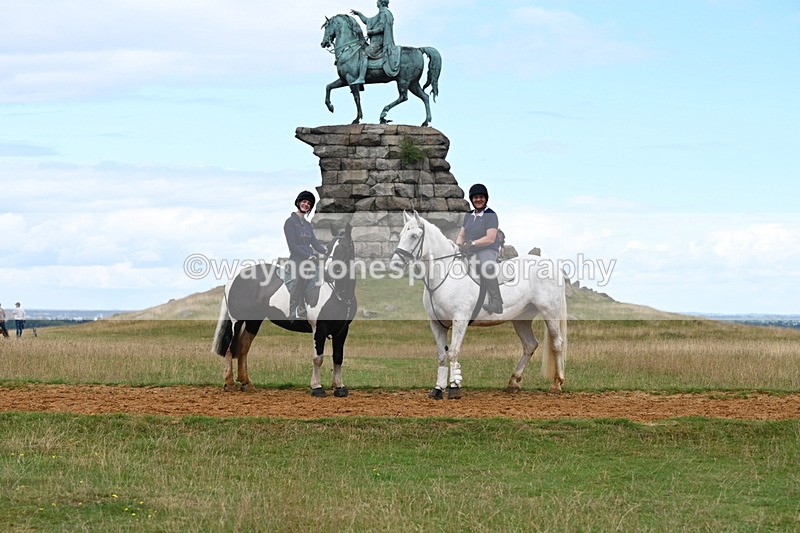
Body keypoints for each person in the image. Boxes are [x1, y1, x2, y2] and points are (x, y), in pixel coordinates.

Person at [455, 184, 504, 315]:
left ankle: (497, 302)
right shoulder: (469, 215)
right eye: (475, 197)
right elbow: (461, 235)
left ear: (486, 198)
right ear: (472, 199)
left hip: (487, 249)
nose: (478, 200)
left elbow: (490, 238)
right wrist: (458, 246)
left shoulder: (491, 215)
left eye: (481, 197)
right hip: (471, 250)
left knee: (486, 267)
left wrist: (471, 244)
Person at [284, 191, 327, 320]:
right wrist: (307, 256)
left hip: (309, 260)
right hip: (297, 259)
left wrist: (328, 251)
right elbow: (292, 246)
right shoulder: (290, 222)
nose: (306, 204)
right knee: (302, 275)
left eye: (309, 203)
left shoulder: (308, 225)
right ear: (298, 202)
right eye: (304, 202)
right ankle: (295, 309)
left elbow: (315, 244)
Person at [350, 0, 400, 84]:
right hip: (375, 42)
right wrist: (359, 14)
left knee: (364, 53)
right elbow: (367, 20)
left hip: (379, 43)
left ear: (381, 2)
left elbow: (381, 28)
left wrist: (371, 32)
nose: (376, 2)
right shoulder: (380, 13)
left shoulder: (384, 13)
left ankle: (361, 78)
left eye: (377, 1)